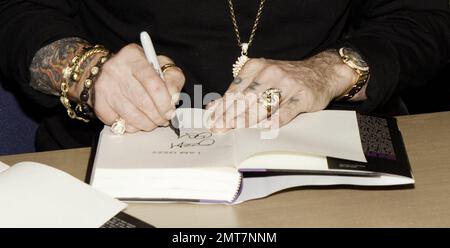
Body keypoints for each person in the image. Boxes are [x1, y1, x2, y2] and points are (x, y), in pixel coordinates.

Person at [0, 1, 449, 151]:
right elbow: (18, 13)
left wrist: (327, 71)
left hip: (328, 150)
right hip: (116, 159)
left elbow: (426, 16)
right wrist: (87, 72)